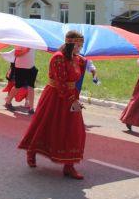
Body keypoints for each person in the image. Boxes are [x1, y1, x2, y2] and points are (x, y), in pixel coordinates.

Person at [18, 30, 87, 179]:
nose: (80, 48)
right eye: (78, 45)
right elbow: (61, 82)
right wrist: (71, 101)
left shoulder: (79, 59)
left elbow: (75, 81)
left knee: (75, 130)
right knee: (45, 125)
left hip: (70, 96)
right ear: (70, 43)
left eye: (81, 45)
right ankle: (32, 151)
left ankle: (69, 166)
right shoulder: (58, 58)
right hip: (55, 97)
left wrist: (75, 98)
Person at [4, 47, 37, 114]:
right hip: (20, 68)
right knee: (18, 86)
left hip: (31, 68)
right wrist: (25, 51)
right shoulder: (21, 42)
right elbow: (16, 54)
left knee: (31, 87)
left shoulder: (34, 42)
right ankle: (8, 103)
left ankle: (31, 108)